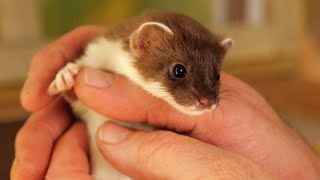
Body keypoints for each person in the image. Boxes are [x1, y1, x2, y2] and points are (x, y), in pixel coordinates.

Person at [11, 26, 320, 180]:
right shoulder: (100, 58)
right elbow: (79, 107)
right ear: (143, 44)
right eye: (179, 72)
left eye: (214, 78)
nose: (206, 98)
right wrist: (70, 86)